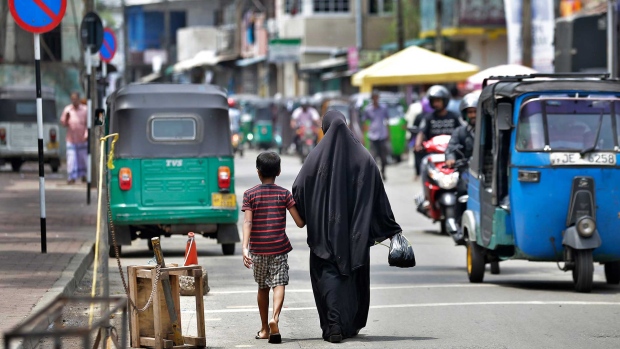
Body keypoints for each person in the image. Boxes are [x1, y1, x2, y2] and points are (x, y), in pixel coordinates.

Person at [292, 110, 403, 343]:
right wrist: (390, 227)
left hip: (324, 235)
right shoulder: (364, 158)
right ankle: (348, 325)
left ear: (325, 128)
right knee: (351, 278)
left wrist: (310, 213)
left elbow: (299, 188)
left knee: (328, 276)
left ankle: (333, 325)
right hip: (355, 237)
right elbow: (379, 195)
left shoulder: (315, 157)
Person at [241, 152, 305, 344]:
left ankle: (264, 329)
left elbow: (247, 223)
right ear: (278, 171)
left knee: (262, 287)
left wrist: (245, 248)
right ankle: (274, 319)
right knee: (279, 284)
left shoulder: (250, 194)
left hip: (258, 250)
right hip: (279, 248)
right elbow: (300, 223)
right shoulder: (284, 194)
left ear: (258, 172)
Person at [445, 91, 480, 243]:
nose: (472, 115)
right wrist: (451, 159)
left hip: (486, 171)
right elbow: (451, 148)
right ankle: (459, 226)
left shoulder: (489, 131)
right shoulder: (460, 132)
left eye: (475, 112)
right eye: (470, 112)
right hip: (467, 171)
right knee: (462, 193)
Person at [414, 85, 462, 189]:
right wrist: (418, 144)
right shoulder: (428, 118)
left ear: (445, 101)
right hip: (433, 155)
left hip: (452, 154)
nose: (436, 104)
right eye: (433, 101)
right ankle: (426, 195)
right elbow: (421, 132)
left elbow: (462, 131)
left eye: (438, 101)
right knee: (424, 164)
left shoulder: (455, 116)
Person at [60, 92, 88, 184]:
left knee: (83, 158)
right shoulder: (68, 109)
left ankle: (84, 175)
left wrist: (86, 134)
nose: (74, 100)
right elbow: (63, 123)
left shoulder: (84, 110)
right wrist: (66, 118)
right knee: (71, 159)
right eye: (72, 99)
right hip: (71, 139)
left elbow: (88, 124)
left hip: (82, 138)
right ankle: (71, 177)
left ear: (79, 99)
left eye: (75, 98)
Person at [362, 90, 390, 180]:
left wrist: (388, 133)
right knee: (373, 157)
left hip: (382, 135)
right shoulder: (368, 109)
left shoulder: (383, 108)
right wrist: (363, 135)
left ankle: (383, 171)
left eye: (377, 97)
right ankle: (374, 175)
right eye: (374, 97)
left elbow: (387, 121)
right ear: (372, 98)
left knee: (383, 158)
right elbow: (365, 122)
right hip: (372, 135)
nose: (375, 99)